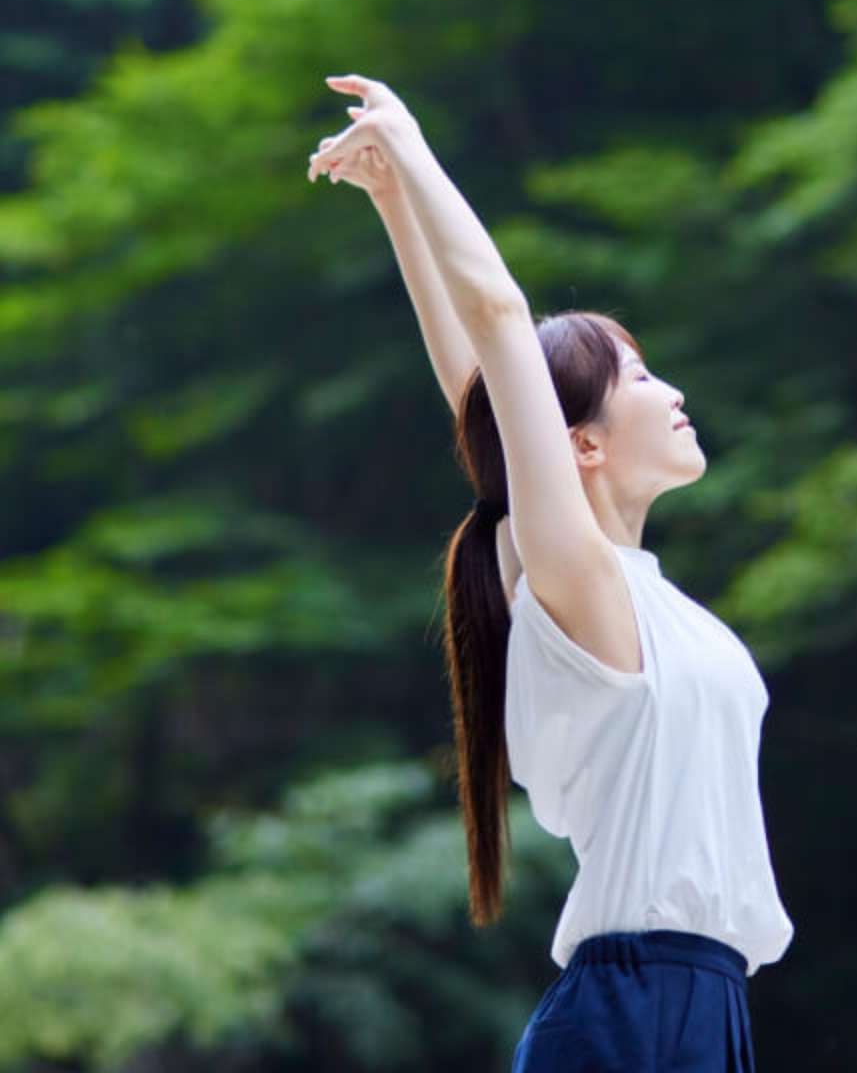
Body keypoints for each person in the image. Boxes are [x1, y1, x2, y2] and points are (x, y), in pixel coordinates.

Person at [308, 73, 794, 1072]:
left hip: (708, 1006)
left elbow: (480, 404)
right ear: (580, 445)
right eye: (643, 377)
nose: (674, 390)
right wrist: (412, 149)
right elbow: (495, 324)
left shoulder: (635, 593)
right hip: (633, 1007)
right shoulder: (580, 584)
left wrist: (396, 205)